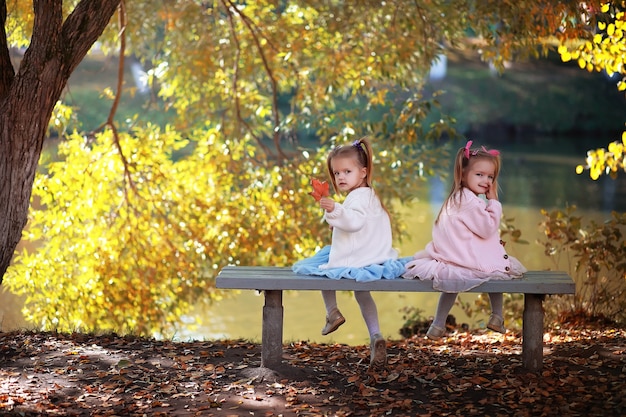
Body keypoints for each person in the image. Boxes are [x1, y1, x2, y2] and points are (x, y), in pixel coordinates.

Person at [292, 137, 405, 369]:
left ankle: (332, 312)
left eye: (347, 171)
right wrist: (338, 218)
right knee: (362, 293)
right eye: (336, 173)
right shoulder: (370, 195)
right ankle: (375, 336)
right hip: (375, 257)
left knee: (321, 269)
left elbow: (353, 221)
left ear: (363, 172)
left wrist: (336, 210)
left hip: (357, 259)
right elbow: (362, 225)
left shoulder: (356, 198)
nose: (340, 177)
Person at [402, 140, 527, 340]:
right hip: (466, 259)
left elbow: (471, 233)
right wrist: (493, 201)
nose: (486, 181)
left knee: (455, 283)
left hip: (455, 256)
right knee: (497, 268)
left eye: (490, 177)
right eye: (479, 175)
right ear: (462, 174)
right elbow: (487, 228)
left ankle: (438, 324)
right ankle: (497, 315)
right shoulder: (470, 202)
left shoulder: (457, 197)